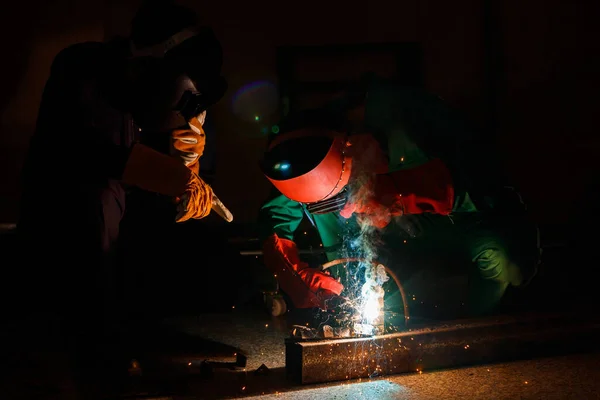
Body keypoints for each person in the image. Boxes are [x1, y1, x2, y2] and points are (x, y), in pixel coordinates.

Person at [14, 0, 228, 396]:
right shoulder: (81, 68)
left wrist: (189, 155)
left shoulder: (138, 86)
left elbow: (179, 112)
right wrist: (172, 176)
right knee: (69, 346)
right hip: (61, 223)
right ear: (151, 64)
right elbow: (83, 152)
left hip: (107, 222)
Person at [258, 75, 541, 322]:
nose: (342, 209)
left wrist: (397, 193)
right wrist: (292, 271)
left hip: (447, 222)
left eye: (342, 194)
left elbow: (490, 189)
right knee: (360, 286)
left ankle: (475, 336)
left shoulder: (415, 116)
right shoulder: (304, 145)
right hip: (386, 241)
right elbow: (276, 216)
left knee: (499, 258)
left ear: (352, 145)